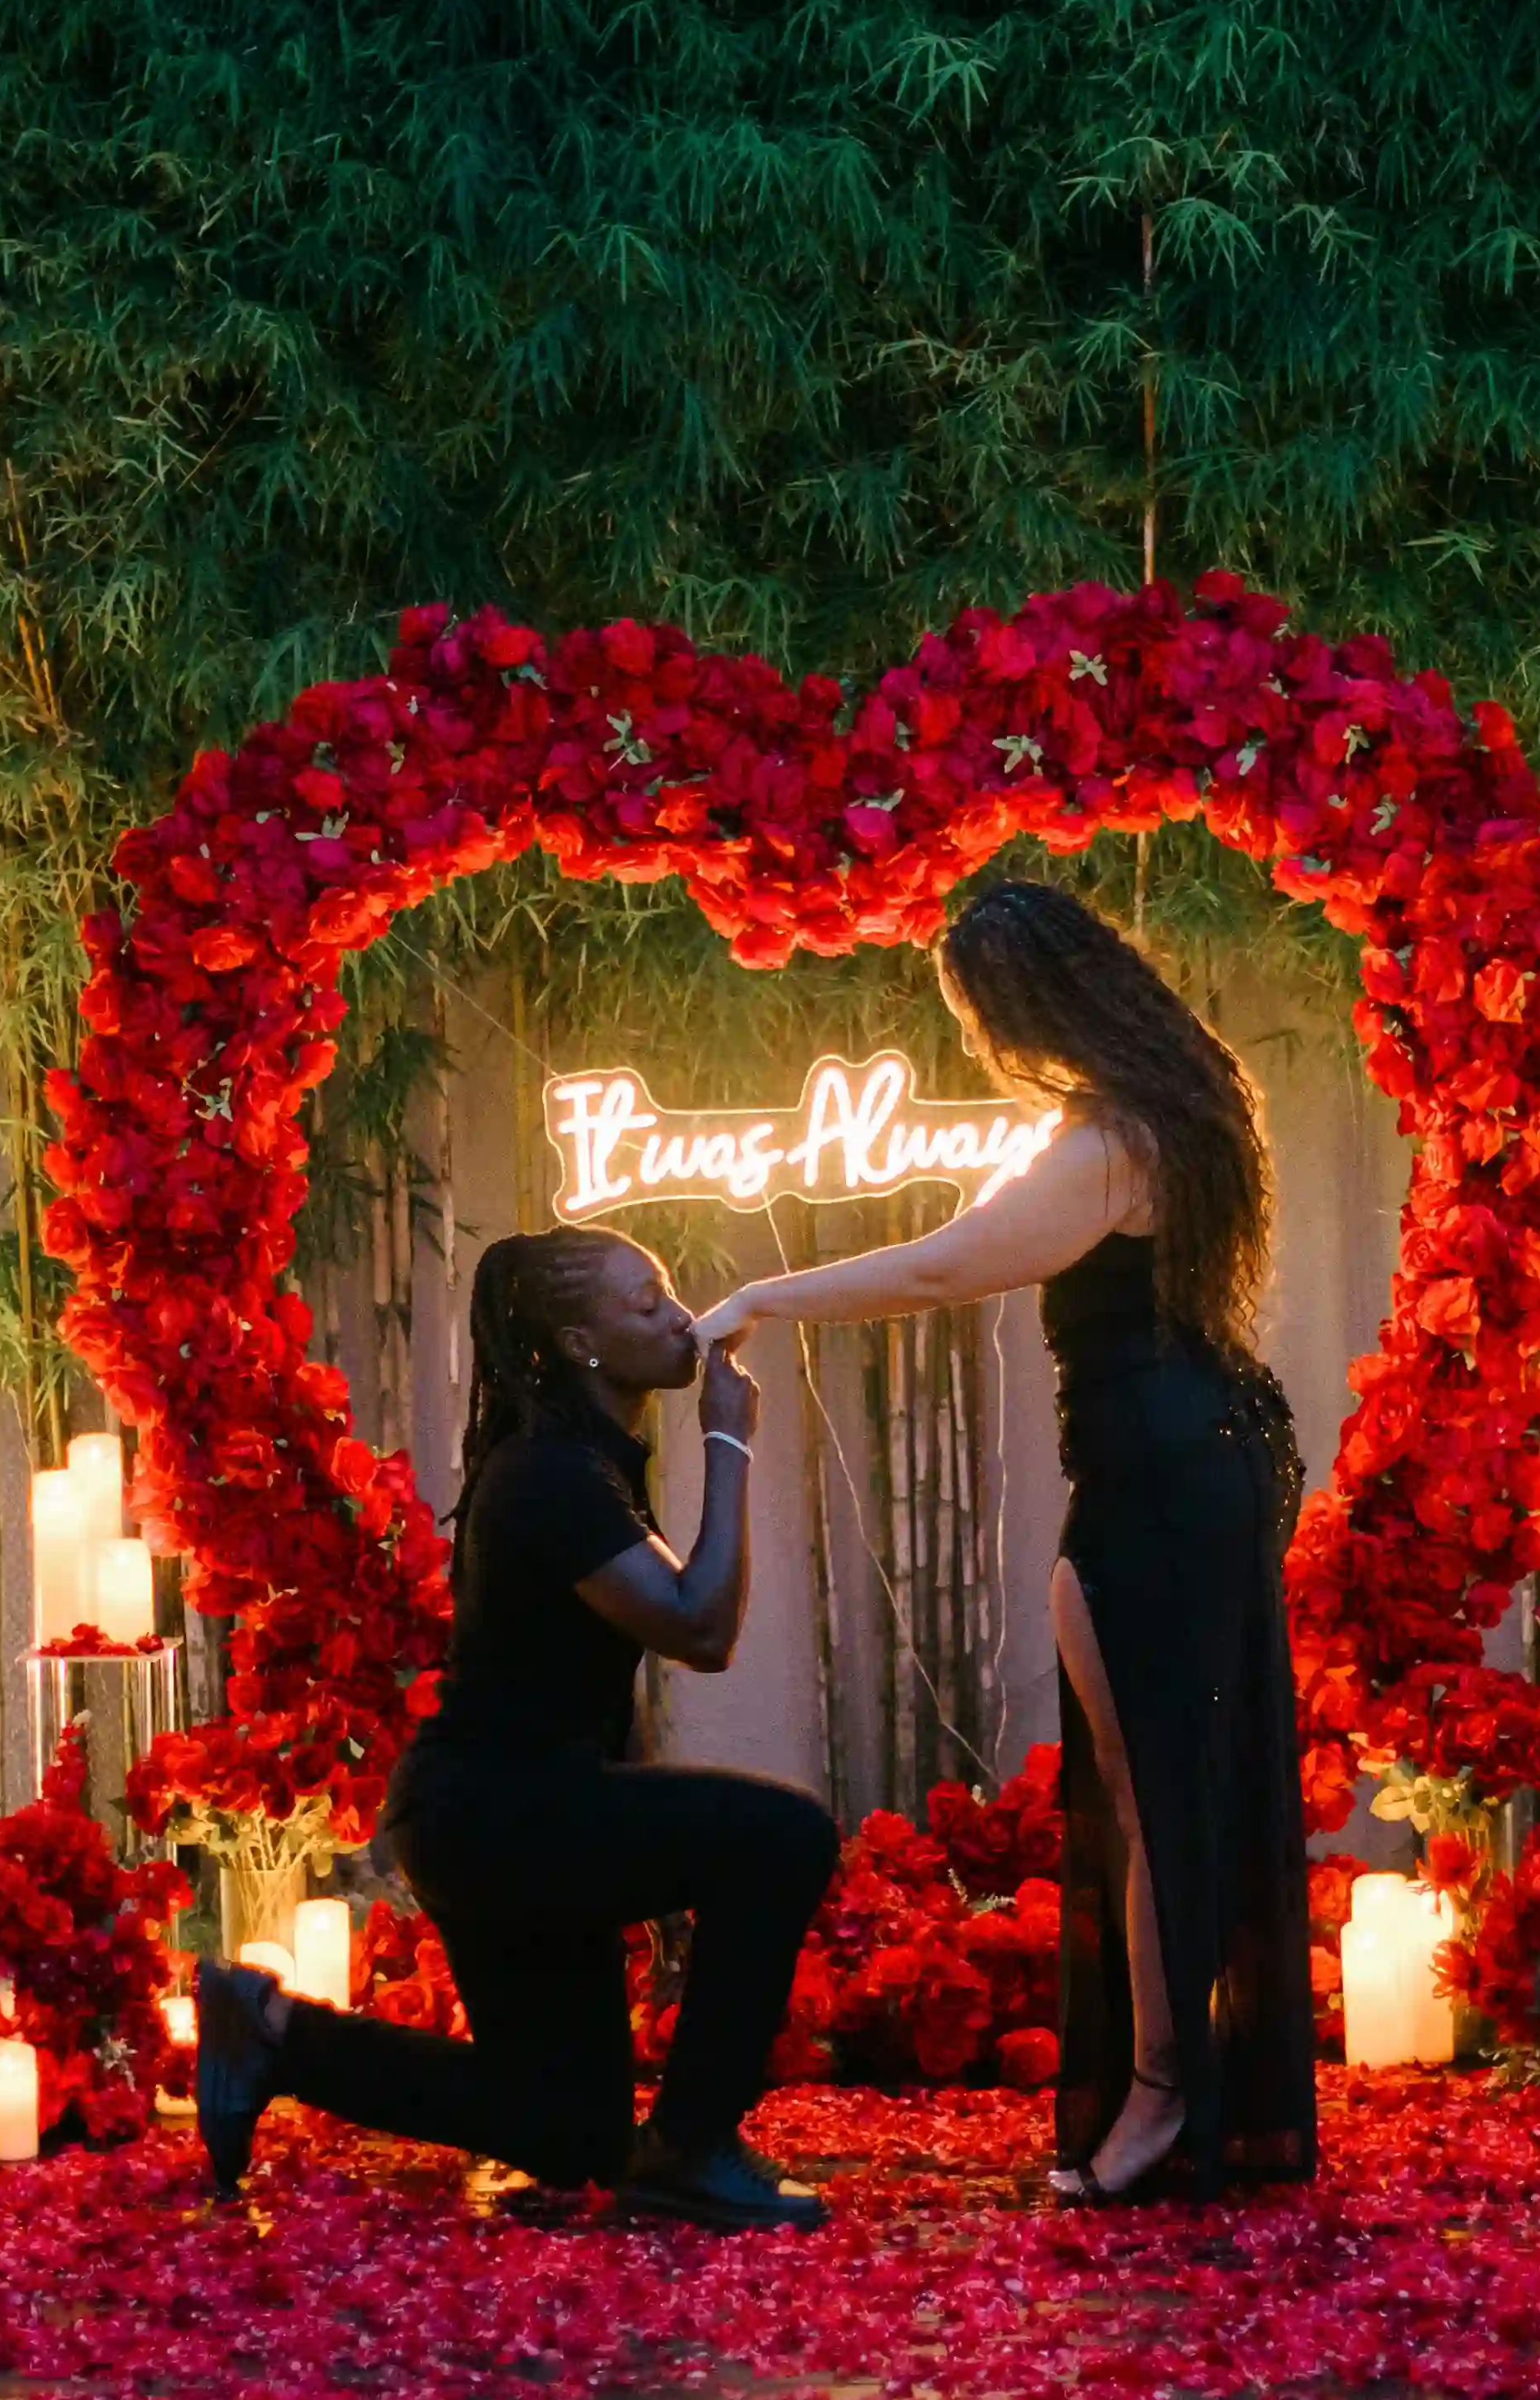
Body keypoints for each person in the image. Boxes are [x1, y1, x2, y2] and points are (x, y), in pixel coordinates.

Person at [695, 878, 1316, 2199]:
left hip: (1158, 1479)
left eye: (979, 1017)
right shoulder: (1180, 1106)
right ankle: (1174, 2085)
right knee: (1162, 1786)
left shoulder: (1108, 1142)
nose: (983, 1043)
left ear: (1024, 1007)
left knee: (1151, 1794)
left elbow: (944, 1265)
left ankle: (1161, 2095)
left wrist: (762, 1293)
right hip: (1192, 1455)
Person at [188, 1224, 840, 2231]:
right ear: (580, 1344)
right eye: (646, 1303)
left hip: (508, 1811)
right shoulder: (552, 1476)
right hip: (496, 1815)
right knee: (785, 1835)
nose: (680, 1319)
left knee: (568, 2130)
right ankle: (691, 2147)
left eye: (670, 1293)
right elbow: (701, 1628)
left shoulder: (583, 1460)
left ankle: (272, 2030)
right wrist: (728, 1439)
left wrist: (653, 1853)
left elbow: (597, 1677)